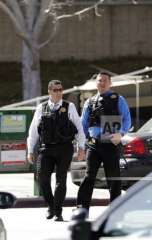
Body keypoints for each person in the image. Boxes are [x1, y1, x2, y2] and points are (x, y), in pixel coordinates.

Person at [27, 80, 86, 221]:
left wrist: (81, 147)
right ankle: (51, 206)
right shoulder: (41, 108)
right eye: (55, 90)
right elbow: (33, 131)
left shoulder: (69, 106)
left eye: (60, 90)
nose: (58, 92)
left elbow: (79, 129)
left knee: (61, 180)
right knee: (42, 178)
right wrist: (30, 150)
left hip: (64, 148)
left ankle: (58, 212)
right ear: (49, 91)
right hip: (46, 148)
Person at [77, 72, 131, 211]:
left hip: (111, 144)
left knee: (113, 179)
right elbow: (82, 125)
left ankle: (115, 210)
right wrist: (81, 145)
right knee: (89, 177)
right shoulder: (89, 102)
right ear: (96, 83)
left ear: (110, 83)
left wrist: (121, 133)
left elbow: (127, 120)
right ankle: (82, 209)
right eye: (100, 80)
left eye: (105, 80)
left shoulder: (119, 99)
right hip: (94, 144)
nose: (102, 83)